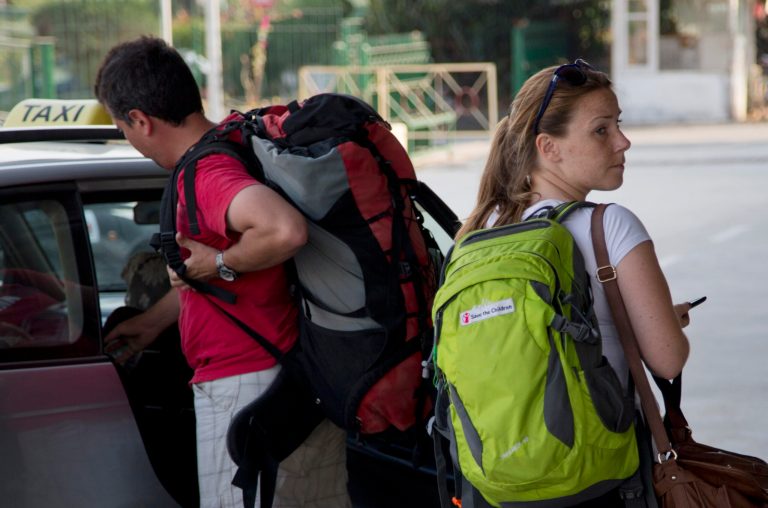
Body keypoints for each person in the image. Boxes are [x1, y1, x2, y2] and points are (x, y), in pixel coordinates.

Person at [96, 36, 350, 508]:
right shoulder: (231, 140)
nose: (128, 141)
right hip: (274, 376)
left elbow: (284, 230)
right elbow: (208, 273)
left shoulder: (206, 173)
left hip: (245, 383)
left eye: (121, 128)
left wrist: (217, 263)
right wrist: (152, 323)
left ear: (140, 120)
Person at [457, 59, 691, 506]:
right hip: (597, 478)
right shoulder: (611, 227)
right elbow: (667, 359)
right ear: (549, 147)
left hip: (496, 482)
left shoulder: (477, 232)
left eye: (618, 125)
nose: (623, 141)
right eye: (601, 130)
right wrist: (665, 323)